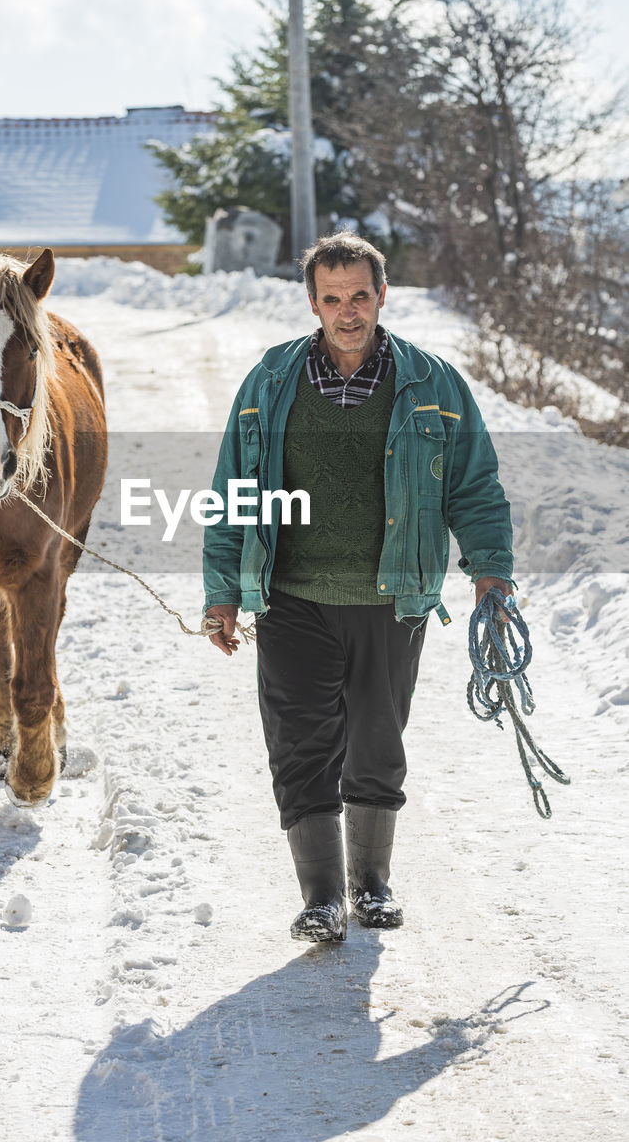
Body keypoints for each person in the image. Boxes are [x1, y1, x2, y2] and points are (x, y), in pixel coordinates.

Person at [203, 231, 513, 943]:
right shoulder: (270, 382)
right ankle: (321, 899)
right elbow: (234, 491)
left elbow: (475, 485)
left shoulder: (433, 385)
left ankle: (370, 882)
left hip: (391, 597)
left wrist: (490, 570)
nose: (348, 312)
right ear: (313, 302)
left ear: (381, 295)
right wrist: (222, 590)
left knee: (377, 740)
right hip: (291, 597)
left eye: (360, 297)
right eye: (333, 298)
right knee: (300, 741)